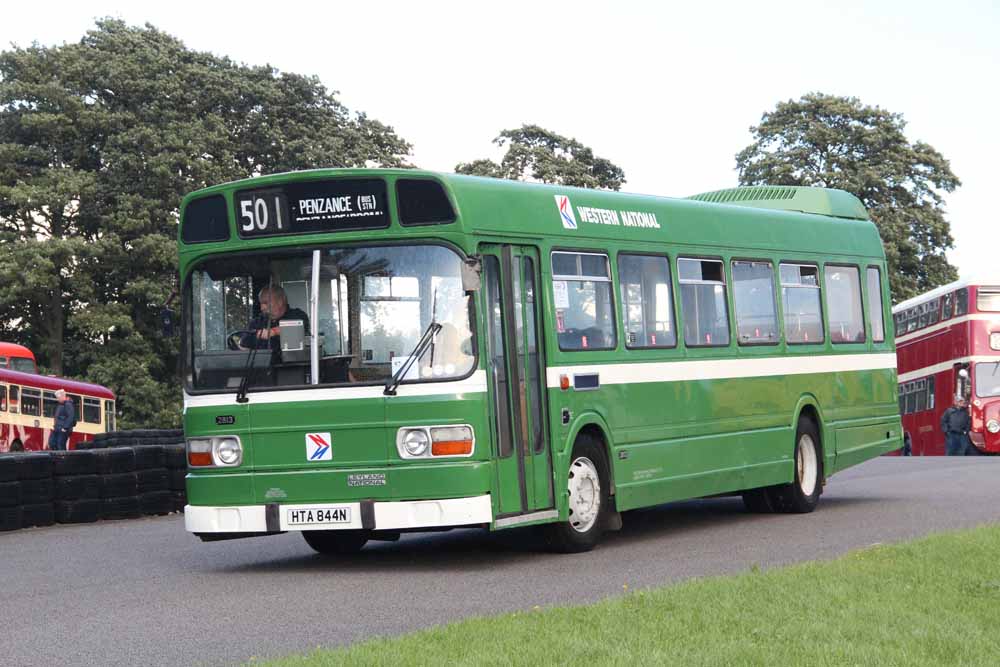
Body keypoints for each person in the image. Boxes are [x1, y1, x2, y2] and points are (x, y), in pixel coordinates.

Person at [238, 285, 310, 360]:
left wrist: (273, 331)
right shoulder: (257, 323)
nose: (262, 308)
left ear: (280, 301)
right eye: (261, 304)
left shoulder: (297, 315)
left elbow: (298, 328)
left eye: (266, 303)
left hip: (292, 365)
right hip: (262, 366)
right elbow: (243, 344)